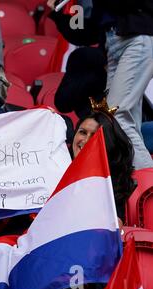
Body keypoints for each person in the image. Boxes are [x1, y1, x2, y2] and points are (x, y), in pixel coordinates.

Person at [0, 101, 135, 289]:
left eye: (94, 135)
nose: (85, 139)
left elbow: (113, 226)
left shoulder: (108, 182)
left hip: (74, 247)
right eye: (82, 132)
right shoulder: (48, 167)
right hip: (33, 242)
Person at [47, 0, 153, 169]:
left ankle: (148, 185)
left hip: (136, 38)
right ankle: (137, 186)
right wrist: (59, 14)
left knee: (114, 117)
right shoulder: (87, 5)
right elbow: (85, 34)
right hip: (112, 45)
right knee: (125, 121)